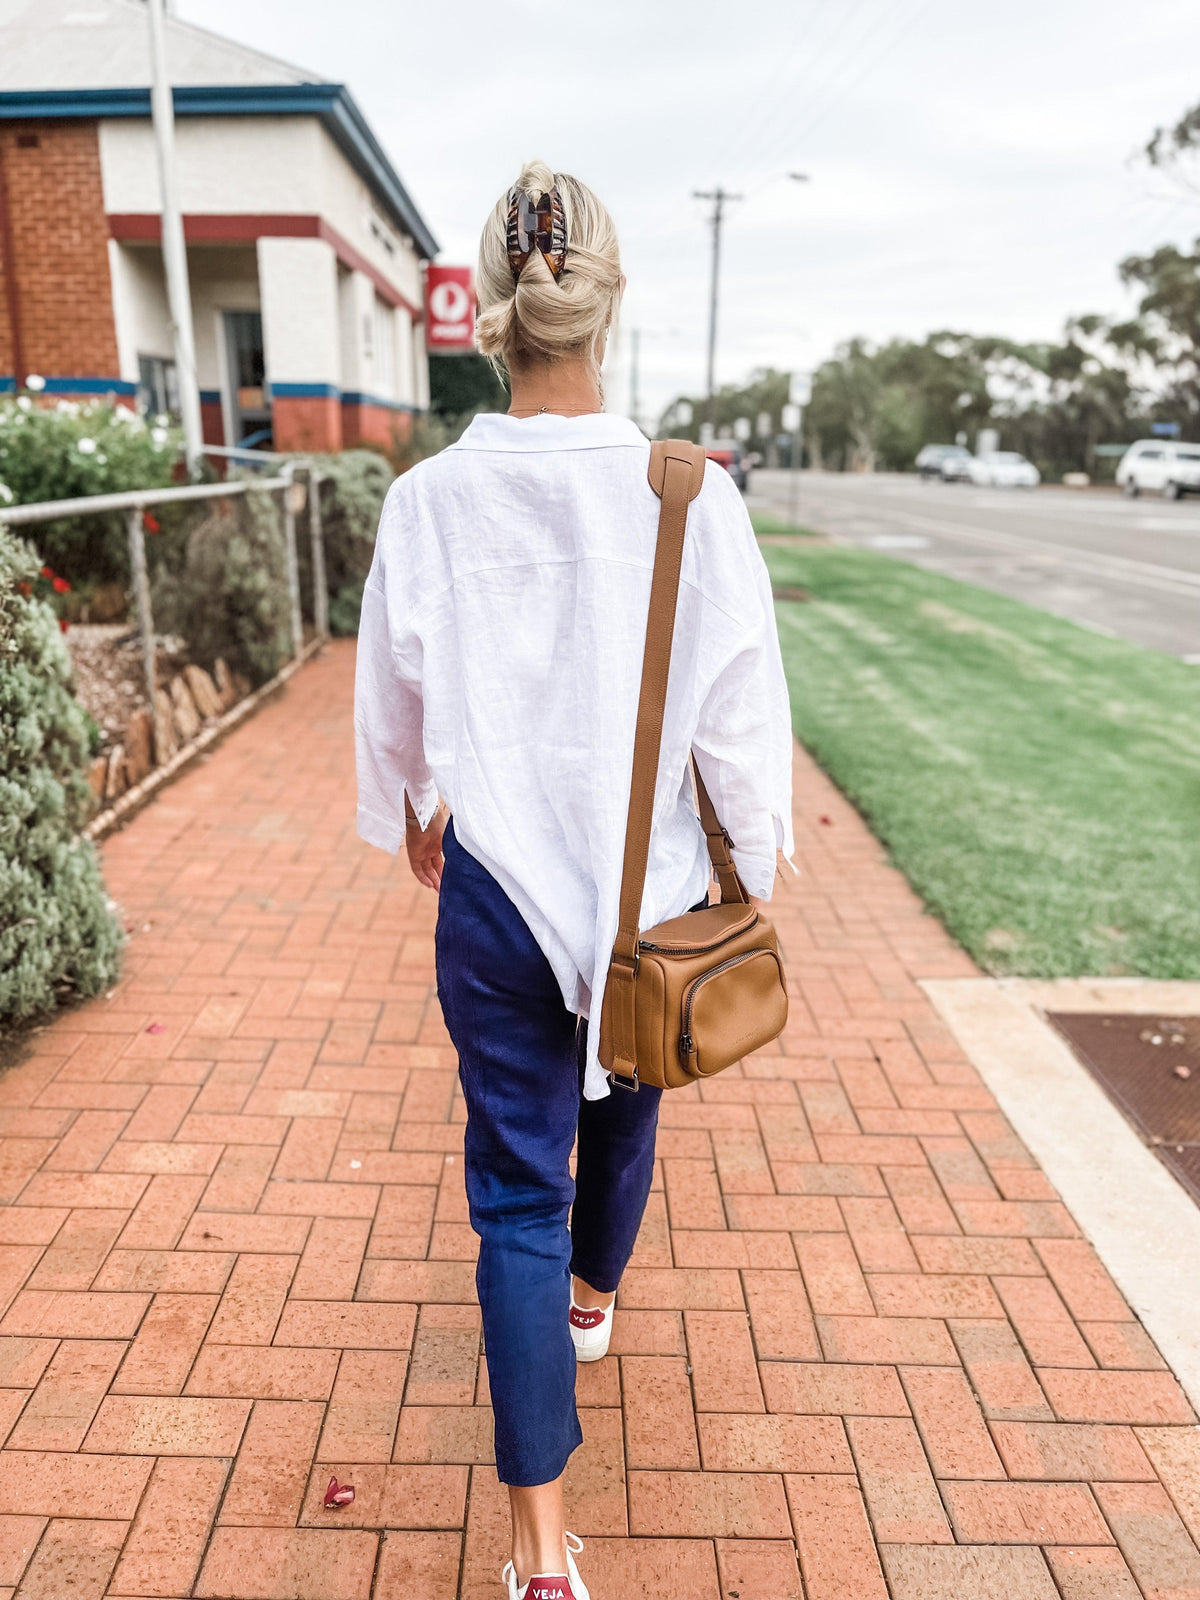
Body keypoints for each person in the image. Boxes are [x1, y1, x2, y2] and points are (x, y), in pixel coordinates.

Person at [354, 160, 794, 1600]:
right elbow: (737, 711)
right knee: (632, 1093)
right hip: (648, 885)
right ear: (606, 302)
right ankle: (596, 1298)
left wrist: (416, 806)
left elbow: (393, 701)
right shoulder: (688, 491)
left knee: (510, 1200)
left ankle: (542, 1555)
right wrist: (751, 847)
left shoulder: (427, 500)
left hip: (492, 886)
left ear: (488, 304)